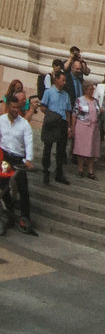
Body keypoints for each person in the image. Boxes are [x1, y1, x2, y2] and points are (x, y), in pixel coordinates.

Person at [0, 92, 38, 235]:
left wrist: (28, 159)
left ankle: (25, 218)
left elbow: (28, 142)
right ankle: (8, 213)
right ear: (8, 107)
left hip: (19, 159)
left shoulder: (24, 124)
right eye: (13, 107)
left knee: (23, 189)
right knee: (3, 187)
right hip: (4, 157)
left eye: (17, 107)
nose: (16, 110)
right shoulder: (1, 120)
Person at [39, 69, 73, 184]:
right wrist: (50, 114)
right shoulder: (49, 92)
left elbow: (68, 112)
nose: (64, 82)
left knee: (61, 150)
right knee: (47, 148)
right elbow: (42, 107)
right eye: (62, 80)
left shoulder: (66, 95)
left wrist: (69, 127)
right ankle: (45, 170)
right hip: (52, 122)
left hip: (62, 123)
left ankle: (59, 173)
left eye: (65, 80)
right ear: (56, 80)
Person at [72, 78, 101, 179]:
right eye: (89, 89)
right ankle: (80, 169)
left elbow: (98, 113)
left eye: (92, 89)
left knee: (92, 148)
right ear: (85, 89)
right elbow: (74, 115)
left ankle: (90, 170)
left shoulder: (96, 101)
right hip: (82, 126)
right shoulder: (80, 100)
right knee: (81, 148)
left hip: (93, 128)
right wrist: (72, 128)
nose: (91, 91)